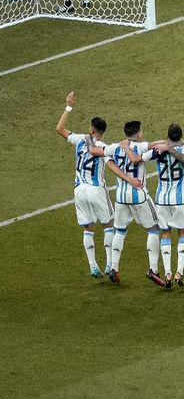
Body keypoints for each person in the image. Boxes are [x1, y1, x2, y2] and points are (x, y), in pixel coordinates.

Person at [55, 91, 113, 277]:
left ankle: (93, 266)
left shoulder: (80, 139)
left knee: (88, 228)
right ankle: (110, 264)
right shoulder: (104, 147)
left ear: (91, 129)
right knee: (109, 225)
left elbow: (60, 128)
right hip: (97, 189)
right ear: (102, 132)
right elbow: (112, 165)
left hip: (79, 190)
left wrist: (69, 106)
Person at [97, 119, 158, 284]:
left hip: (121, 197)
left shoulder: (115, 147)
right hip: (139, 194)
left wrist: (108, 159)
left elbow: (97, 152)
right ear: (138, 133)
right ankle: (153, 269)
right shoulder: (141, 146)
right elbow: (154, 145)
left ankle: (114, 268)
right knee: (154, 229)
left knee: (120, 231)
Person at [146, 124, 184, 287]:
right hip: (179, 200)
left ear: (168, 136)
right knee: (183, 234)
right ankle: (179, 272)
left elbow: (143, 153)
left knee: (165, 234)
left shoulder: (158, 150)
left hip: (161, 199)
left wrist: (165, 144)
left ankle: (168, 274)